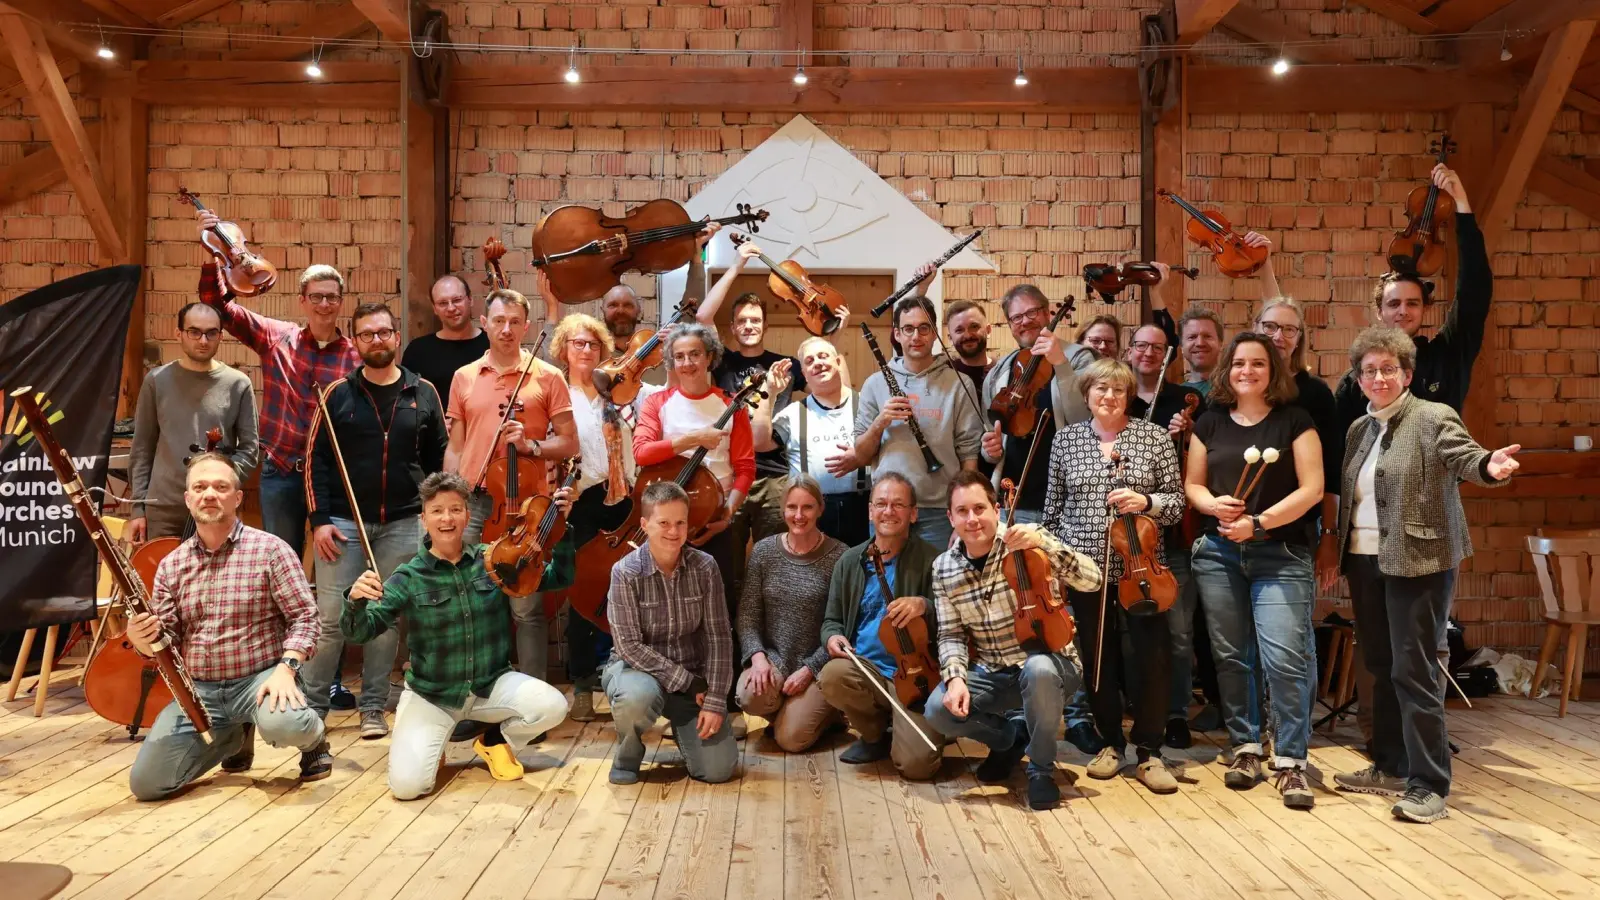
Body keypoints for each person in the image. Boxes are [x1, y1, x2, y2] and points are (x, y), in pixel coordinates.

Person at [1331, 326, 1518, 823]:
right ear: (1359, 378)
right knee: (1380, 665)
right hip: (1365, 559)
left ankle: (1429, 782)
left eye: (1388, 369)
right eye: (1368, 370)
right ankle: (1390, 765)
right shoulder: (1359, 429)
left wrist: (1488, 466)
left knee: (1414, 672)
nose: (1378, 378)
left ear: (1407, 374)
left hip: (1420, 559)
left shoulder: (1434, 417)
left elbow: (1465, 457)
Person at [342, 472, 570, 799]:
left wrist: (560, 533)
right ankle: (433, 746)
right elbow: (362, 630)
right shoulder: (408, 576)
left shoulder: (493, 559)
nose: (447, 518)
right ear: (424, 519)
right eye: (437, 511)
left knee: (552, 706)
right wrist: (354, 603)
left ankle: (493, 741)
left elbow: (558, 577)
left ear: (467, 516)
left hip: (490, 685)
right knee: (408, 788)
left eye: (455, 509)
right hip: (433, 695)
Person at [125, 453, 328, 801]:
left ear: (237, 498)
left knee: (285, 724)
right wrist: (140, 639)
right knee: (148, 784)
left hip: (260, 679)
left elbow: (305, 618)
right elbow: (166, 640)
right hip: (200, 692)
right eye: (200, 487)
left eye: (221, 487)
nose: (209, 495)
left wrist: (287, 669)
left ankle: (314, 741)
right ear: (188, 499)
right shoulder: (172, 565)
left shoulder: (271, 550)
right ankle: (233, 735)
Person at [1185, 333, 1325, 810]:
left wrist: (1259, 523)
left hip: (1280, 553)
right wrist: (1213, 504)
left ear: (1273, 370)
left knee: (1285, 659)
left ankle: (1290, 761)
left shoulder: (1295, 421)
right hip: (1219, 554)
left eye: (1258, 363)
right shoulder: (1209, 421)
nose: (1248, 371)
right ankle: (1245, 747)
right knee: (1231, 657)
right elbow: (1193, 486)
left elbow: (1312, 490)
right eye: (1239, 363)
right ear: (1227, 370)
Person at [304, 302, 448, 739]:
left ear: (396, 335)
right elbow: (315, 461)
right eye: (367, 334)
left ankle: (371, 706)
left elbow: (438, 463)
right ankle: (312, 707)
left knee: (383, 619)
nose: (377, 340)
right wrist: (319, 521)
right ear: (356, 342)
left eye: (383, 332)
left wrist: (430, 514)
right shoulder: (337, 394)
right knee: (331, 619)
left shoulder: (423, 392)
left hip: (404, 523)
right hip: (343, 526)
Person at [1042, 358, 1185, 794]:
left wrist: (1144, 501)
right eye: (1100, 389)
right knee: (1099, 658)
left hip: (1142, 571)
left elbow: (1177, 503)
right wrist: (1053, 566)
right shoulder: (1066, 441)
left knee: (1151, 659)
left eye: (1118, 390)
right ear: (1086, 395)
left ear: (1128, 396)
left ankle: (1150, 751)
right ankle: (1110, 744)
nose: (1109, 397)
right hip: (1086, 571)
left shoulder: (1154, 438)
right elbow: (1052, 510)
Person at [924, 470, 1100, 811]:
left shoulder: (1028, 541)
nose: (972, 519)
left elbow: (1093, 580)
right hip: (995, 670)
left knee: (1037, 669)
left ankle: (1041, 771)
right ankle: (1009, 739)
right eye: (962, 511)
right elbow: (951, 633)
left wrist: (1045, 543)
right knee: (937, 710)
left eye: (980, 508)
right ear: (950, 517)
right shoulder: (943, 567)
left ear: (996, 509)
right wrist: (957, 677)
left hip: (1052, 665)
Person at [196, 209, 360, 559]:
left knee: (335, 561)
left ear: (341, 303)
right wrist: (213, 255)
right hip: (281, 471)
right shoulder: (276, 337)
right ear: (303, 301)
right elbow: (218, 309)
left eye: (331, 297)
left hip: (331, 478)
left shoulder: (355, 358)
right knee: (280, 560)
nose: (324, 304)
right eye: (316, 296)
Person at [603, 481, 737, 785]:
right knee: (637, 697)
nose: (673, 532)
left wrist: (716, 699)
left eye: (680, 523)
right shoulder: (624, 573)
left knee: (719, 771)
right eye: (663, 523)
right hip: (636, 672)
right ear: (645, 524)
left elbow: (718, 636)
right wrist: (689, 683)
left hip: (692, 679)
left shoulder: (706, 567)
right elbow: (629, 646)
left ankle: (684, 730)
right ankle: (627, 756)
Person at [696, 239, 808, 595]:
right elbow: (702, 317)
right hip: (731, 474)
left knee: (775, 565)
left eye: (755, 320)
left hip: (776, 476)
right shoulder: (723, 362)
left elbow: (829, 381)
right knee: (727, 565)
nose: (748, 325)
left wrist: (836, 325)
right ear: (732, 325)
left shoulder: (786, 365)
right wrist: (737, 264)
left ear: (765, 325)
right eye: (742, 320)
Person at [818, 472, 945, 780]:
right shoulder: (849, 561)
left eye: (899, 504)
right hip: (867, 670)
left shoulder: (934, 560)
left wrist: (924, 606)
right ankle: (875, 735)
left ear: (913, 514)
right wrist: (832, 637)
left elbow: (954, 622)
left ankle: (916, 728)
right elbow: (831, 621)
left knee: (917, 767)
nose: (889, 511)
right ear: (870, 511)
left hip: (916, 677)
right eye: (882, 504)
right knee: (832, 675)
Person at [1123, 302, 1208, 750]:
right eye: (1141, 346)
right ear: (1129, 351)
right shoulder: (1116, 399)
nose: (1149, 353)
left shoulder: (1185, 400)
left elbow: (1205, 460)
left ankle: (1176, 713)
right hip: (1122, 538)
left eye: (1158, 347)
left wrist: (1190, 434)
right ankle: (1136, 708)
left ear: (1168, 354)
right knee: (1131, 632)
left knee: (1177, 631)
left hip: (1171, 532)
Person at [549, 313, 640, 720]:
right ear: (563, 349)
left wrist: (633, 484)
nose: (585, 350)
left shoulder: (616, 394)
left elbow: (632, 443)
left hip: (620, 498)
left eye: (592, 344)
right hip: (579, 500)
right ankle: (582, 682)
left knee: (626, 589)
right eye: (577, 343)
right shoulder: (556, 391)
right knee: (583, 594)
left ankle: (628, 678)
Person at [445, 287, 579, 555]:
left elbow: (570, 443)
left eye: (515, 322)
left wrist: (531, 446)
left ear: (526, 327)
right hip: (474, 499)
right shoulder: (463, 376)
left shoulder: (548, 376)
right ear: (484, 324)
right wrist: (450, 499)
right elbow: (455, 448)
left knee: (524, 591)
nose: (506, 329)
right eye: (499, 320)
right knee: (475, 591)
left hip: (528, 502)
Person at [633, 321, 757, 598]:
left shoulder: (731, 405)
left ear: (709, 357)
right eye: (679, 356)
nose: (687, 363)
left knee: (717, 601)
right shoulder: (657, 402)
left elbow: (746, 468)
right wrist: (693, 439)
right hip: (666, 518)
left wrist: (728, 514)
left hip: (714, 517)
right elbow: (642, 451)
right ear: (671, 361)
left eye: (695, 354)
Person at [856, 296, 984, 549]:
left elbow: (969, 455)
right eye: (908, 329)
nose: (916, 336)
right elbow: (860, 455)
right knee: (887, 586)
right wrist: (880, 422)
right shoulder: (874, 383)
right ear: (897, 333)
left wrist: (963, 512)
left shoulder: (959, 383)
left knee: (936, 586)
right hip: (888, 509)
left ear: (935, 333)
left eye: (924, 328)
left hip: (939, 512)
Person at [128, 302, 259, 542]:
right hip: (164, 508)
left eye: (211, 333)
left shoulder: (238, 384)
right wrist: (138, 508)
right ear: (179, 333)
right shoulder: (156, 381)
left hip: (216, 509)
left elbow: (249, 450)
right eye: (194, 332)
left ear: (221, 336)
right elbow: (142, 450)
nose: (203, 340)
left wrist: (219, 483)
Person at [736, 475, 848, 751]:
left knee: (790, 740)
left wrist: (810, 669)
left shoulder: (840, 556)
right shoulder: (763, 552)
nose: (799, 515)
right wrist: (758, 659)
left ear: (820, 508)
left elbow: (844, 625)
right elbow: (748, 614)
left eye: (807, 507)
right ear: (782, 509)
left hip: (819, 664)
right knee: (749, 696)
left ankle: (830, 714)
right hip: (775, 659)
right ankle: (793, 712)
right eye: (792, 507)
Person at [979, 284, 1097, 526]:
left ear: (1047, 314)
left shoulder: (1079, 357)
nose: (1025, 322)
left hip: (1066, 504)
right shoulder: (999, 371)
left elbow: (1086, 421)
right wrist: (989, 452)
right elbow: (990, 434)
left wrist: (1061, 365)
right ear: (1010, 325)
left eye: (1032, 313)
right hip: (1011, 501)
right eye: (1016, 317)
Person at [1250, 291, 1343, 592]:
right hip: (1238, 528)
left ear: (1299, 338)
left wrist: (1329, 536)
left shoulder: (1315, 393)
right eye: (1270, 327)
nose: (1279, 336)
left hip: (1297, 531)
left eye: (1289, 329)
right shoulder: (1237, 385)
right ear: (1256, 328)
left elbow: (1332, 470)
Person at [752, 336, 871, 546]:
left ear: (838, 362)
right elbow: (759, 443)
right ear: (804, 374)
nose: (817, 363)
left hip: (863, 511)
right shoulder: (793, 413)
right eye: (809, 361)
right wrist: (769, 392)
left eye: (823, 356)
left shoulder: (867, 405)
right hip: (811, 514)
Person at [401, 274, 490, 399]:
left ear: (470, 299)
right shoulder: (417, 351)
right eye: (442, 303)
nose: (451, 308)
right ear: (434, 309)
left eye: (457, 300)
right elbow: (407, 402)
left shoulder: (492, 344)